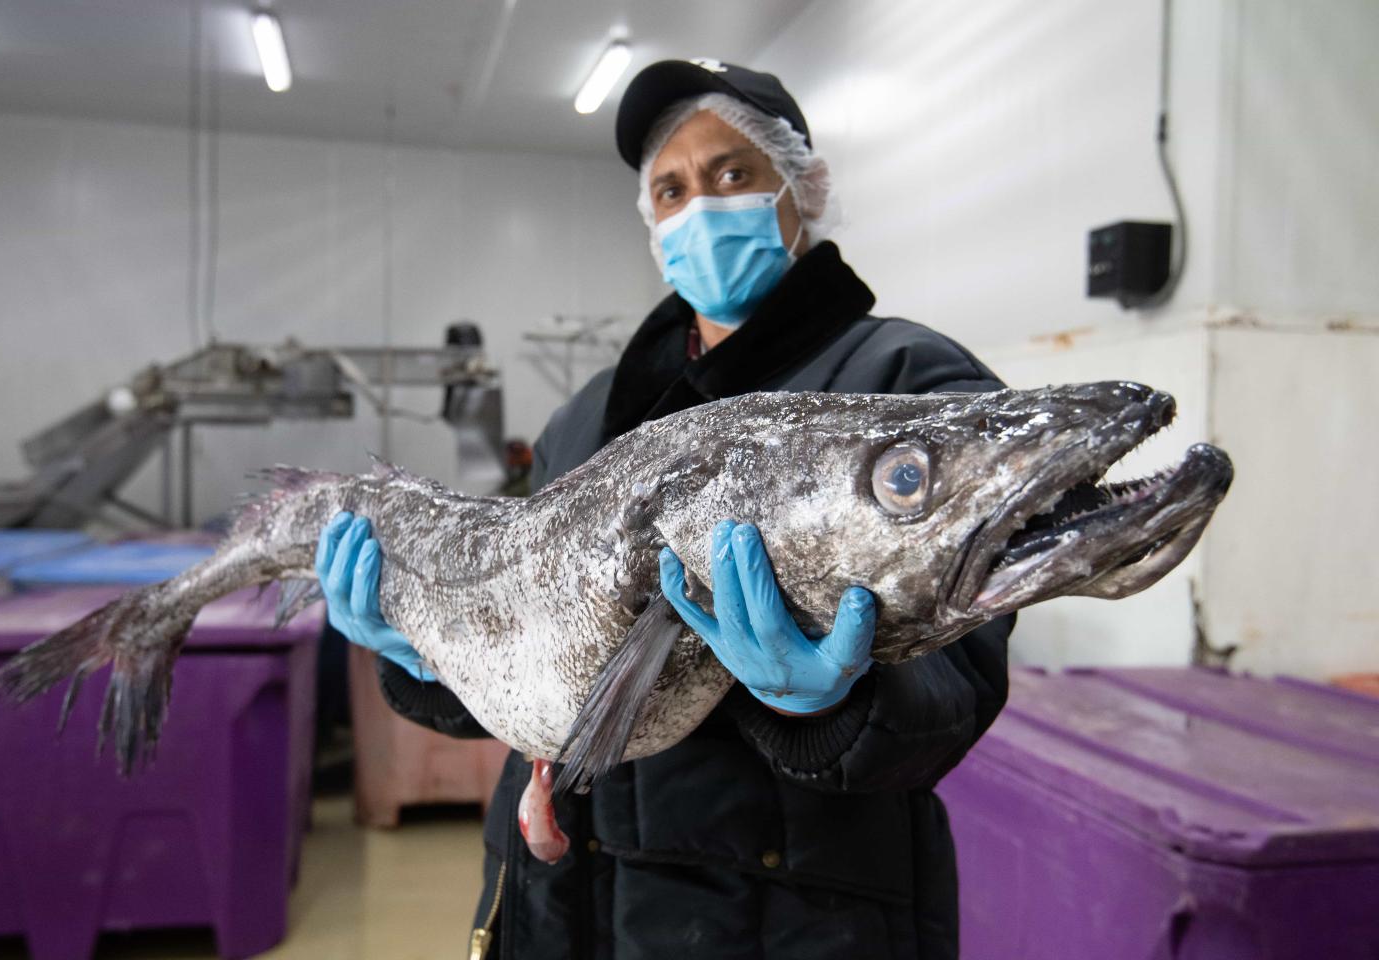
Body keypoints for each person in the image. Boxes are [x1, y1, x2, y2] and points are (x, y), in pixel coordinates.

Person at [316, 60, 1014, 960]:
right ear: (652, 225)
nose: (702, 208)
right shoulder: (587, 419)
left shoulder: (903, 386)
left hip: (784, 920)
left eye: (733, 174)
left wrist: (839, 703)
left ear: (805, 187)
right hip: (557, 902)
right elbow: (528, 682)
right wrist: (427, 654)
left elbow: (957, 688)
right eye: (672, 189)